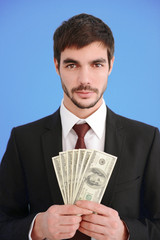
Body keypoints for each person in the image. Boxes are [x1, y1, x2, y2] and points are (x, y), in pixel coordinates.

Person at [0, 13, 160, 240]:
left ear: (111, 65)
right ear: (57, 66)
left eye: (96, 64)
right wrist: (37, 228)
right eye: (72, 65)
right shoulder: (23, 140)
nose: (85, 79)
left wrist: (125, 232)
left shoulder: (147, 139)